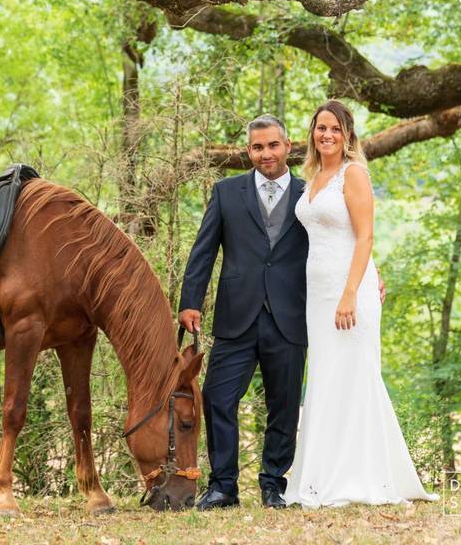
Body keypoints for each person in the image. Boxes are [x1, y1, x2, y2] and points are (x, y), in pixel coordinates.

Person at [282, 99, 438, 508]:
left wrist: (353, 291)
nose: (327, 134)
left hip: (349, 293)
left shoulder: (353, 174)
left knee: (354, 375)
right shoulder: (313, 177)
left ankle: (360, 476)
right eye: (320, 128)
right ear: (312, 134)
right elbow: (345, 233)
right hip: (317, 294)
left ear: (348, 135)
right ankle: (321, 476)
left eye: (335, 128)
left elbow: (365, 235)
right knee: (324, 377)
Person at [178, 114, 309, 510]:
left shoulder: (312, 193)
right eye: (257, 147)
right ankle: (223, 486)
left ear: (288, 146)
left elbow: (340, 240)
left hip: (290, 313)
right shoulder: (226, 192)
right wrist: (190, 301)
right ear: (248, 151)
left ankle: (274, 483)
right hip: (237, 314)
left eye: (272, 145)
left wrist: (367, 278)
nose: (265, 153)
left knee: (284, 404)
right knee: (217, 397)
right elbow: (204, 250)